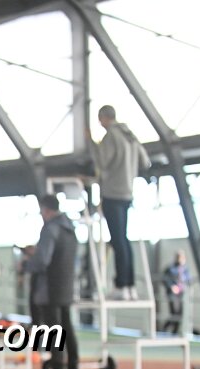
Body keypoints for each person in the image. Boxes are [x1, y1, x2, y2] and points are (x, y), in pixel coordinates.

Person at [88, 105, 150, 301]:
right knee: (123, 239)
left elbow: (102, 162)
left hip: (112, 193)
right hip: (127, 193)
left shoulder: (111, 137)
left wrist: (92, 144)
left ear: (104, 118)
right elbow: (145, 162)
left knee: (117, 240)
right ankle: (129, 285)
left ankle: (121, 284)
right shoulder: (130, 136)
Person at [23, 195, 80, 369]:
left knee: (54, 331)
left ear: (45, 209)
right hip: (66, 286)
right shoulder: (70, 229)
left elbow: (43, 261)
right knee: (67, 328)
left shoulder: (50, 228)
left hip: (49, 288)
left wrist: (28, 264)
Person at [162, 250, 191, 334]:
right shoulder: (170, 268)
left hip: (181, 293)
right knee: (174, 313)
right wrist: (172, 287)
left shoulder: (185, 269)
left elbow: (189, 279)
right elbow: (165, 279)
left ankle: (174, 332)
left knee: (180, 314)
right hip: (172, 293)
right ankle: (164, 329)